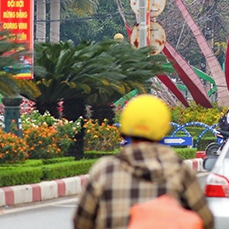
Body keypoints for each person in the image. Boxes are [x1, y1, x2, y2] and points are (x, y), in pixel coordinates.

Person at [73, 94, 213, 229]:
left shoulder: (104, 171)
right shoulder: (179, 171)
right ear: (164, 127)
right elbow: (205, 220)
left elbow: (82, 222)